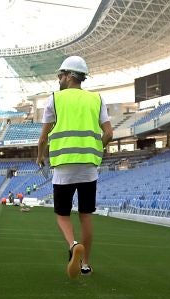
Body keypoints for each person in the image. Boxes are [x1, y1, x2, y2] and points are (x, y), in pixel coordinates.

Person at [37, 55, 113, 279]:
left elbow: (43, 138)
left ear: (70, 76)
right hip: (89, 167)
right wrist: (97, 149)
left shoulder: (54, 100)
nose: (59, 78)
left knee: (62, 215)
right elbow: (109, 133)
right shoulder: (97, 99)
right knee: (86, 215)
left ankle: (73, 245)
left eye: (61, 74)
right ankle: (86, 264)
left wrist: (40, 156)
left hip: (63, 167)